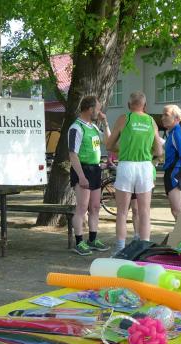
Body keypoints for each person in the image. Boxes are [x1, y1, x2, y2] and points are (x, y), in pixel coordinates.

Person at [106, 91, 162, 253]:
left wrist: (124, 148)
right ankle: (144, 249)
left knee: (122, 212)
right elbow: (159, 151)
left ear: (129, 105)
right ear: (145, 106)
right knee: (144, 212)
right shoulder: (151, 121)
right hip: (145, 167)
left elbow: (109, 145)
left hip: (126, 166)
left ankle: (120, 249)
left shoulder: (124, 118)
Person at [67, 95, 111, 255]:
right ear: (90, 109)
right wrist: (81, 176)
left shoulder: (93, 127)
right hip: (83, 170)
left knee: (95, 207)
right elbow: (73, 154)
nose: (100, 112)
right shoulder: (76, 128)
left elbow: (108, 142)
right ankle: (79, 242)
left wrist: (105, 123)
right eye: (98, 109)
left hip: (95, 170)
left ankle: (92, 239)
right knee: (82, 207)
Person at [161, 104, 181, 220]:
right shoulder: (172, 133)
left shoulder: (178, 132)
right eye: (162, 114)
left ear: (176, 118)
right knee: (176, 211)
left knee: (178, 212)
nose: (162, 117)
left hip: (176, 173)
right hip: (173, 172)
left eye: (166, 115)